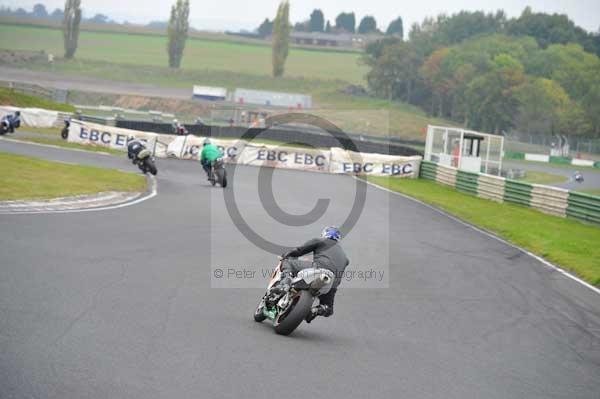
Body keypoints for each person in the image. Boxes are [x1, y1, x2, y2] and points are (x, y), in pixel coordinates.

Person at [276, 226, 349, 322]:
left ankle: (285, 283)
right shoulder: (345, 257)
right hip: (331, 282)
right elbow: (338, 279)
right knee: (328, 308)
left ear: (325, 234)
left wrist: (286, 255)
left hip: (319, 268)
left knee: (288, 263)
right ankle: (317, 310)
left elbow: (299, 251)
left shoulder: (321, 241)